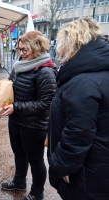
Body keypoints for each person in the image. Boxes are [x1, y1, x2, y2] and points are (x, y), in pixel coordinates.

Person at [47, 17, 109, 200]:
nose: (59, 51)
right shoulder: (99, 72)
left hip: (88, 173)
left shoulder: (83, 82)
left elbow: (78, 133)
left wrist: (62, 166)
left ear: (73, 43)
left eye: (61, 44)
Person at [0, 30, 57, 200]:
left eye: (24, 50)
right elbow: (10, 84)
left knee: (36, 161)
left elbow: (47, 103)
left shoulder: (46, 71)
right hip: (16, 120)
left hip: (34, 125)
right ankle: (19, 182)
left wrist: (16, 107)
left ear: (37, 48)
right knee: (19, 154)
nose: (21, 53)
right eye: (19, 49)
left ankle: (37, 193)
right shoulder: (20, 65)